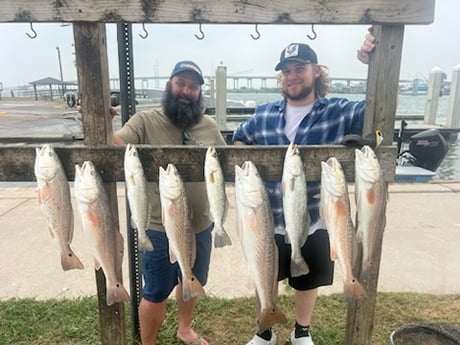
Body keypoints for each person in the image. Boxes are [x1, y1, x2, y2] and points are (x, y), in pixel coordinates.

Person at [232, 34, 375, 345]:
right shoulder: (264, 114)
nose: (292, 76)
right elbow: (238, 139)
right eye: (286, 71)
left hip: (316, 216)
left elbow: (377, 111)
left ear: (316, 71)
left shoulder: (338, 111)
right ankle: (264, 331)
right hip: (268, 216)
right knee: (264, 274)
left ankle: (301, 331)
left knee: (307, 279)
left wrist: (373, 66)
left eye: (299, 68)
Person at [113, 60, 226, 345]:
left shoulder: (209, 125)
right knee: (155, 290)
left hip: (200, 223)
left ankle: (184, 328)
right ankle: (148, 343)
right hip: (157, 226)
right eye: (181, 84)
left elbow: (226, 162)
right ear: (169, 85)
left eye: (193, 86)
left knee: (191, 281)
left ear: (200, 92)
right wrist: (98, 119)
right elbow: (114, 145)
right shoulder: (144, 121)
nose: (186, 91)